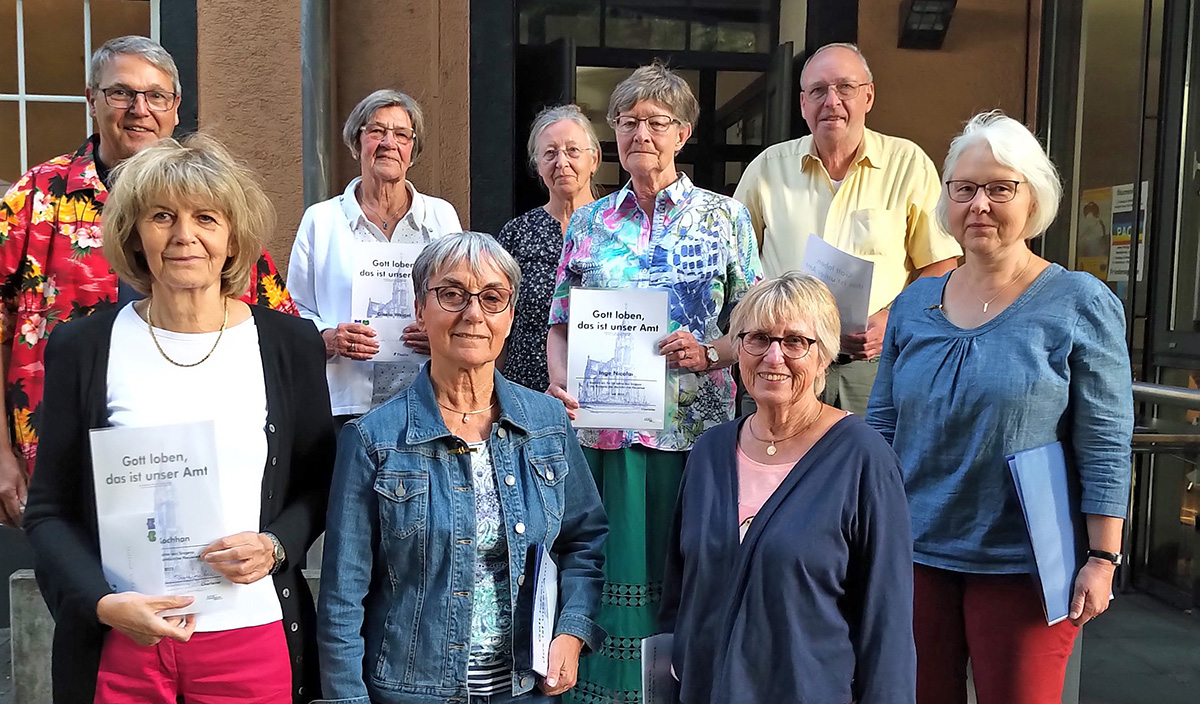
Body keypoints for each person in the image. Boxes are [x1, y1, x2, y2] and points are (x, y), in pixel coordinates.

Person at [24, 134, 335, 703]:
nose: (184, 235)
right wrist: (99, 602)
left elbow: (319, 485)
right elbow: (48, 512)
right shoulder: (84, 345)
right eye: (162, 216)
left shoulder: (288, 345)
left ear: (232, 236)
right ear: (135, 234)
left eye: (206, 218)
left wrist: (276, 545)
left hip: (251, 635)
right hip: (124, 643)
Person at [866, 111, 1133, 704]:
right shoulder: (913, 304)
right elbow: (881, 425)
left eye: (999, 188)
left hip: (1025, 563)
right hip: (914, 555)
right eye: (964, 189)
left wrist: (1103, 557)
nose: (979, 204)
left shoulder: (1078, 301)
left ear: (1033, 197)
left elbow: (1106, 442)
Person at [0, 35, 297, 530]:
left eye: (156, 96)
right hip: (59, 465)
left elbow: (271, 321)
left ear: (176, 108)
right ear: (92, 100)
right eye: (121, 93)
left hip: (201, 476)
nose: (140, 109)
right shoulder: (35, 199)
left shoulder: (211, 203)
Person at [545, 62, 762, 704]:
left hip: (693, 436)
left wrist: (711, 351)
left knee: (685, 569)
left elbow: (754, 327)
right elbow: (559, 326)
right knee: (601, 565)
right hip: (604, 434)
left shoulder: (726, 219)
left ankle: (685, 688)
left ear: (684, 133)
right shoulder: (588, 225)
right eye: (629, 120)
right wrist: (562, 386)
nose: (642, 132)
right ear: (613, 131)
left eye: (657, 122)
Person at [318, 232, 607, 704]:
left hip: (526, 691)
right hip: (412, 692)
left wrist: (571, 632)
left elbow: (584, 541)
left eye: (492, 298)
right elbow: (341, 600)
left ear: (510, 316)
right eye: (452, 294)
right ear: (419, 309)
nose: (473, 313)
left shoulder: (547, 424)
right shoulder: (373, 440)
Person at [659, 272, 914, 703]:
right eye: (757, 338)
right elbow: (679, 599)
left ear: (824, 356)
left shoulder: (862, 457)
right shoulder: (709, 452)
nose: (773, 357)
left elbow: (886, 624)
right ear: (738, 348)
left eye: (795, 341)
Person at [733, 42, 961, 416]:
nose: (832, 101)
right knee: (776, 471)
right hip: (782, 363)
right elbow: (736, 263)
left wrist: (890, 320)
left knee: (865, 470)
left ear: (868, 96)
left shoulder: (908, 164)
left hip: (870, 367)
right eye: (818, 91)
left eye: (845, 88)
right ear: (803, 103)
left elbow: (940, 265)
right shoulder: (767, 169)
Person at [287, 90, 463, 423]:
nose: (388, 142)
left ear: (413, 151)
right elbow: (295, 309)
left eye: (401, 135)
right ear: (357, 143)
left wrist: (441, 334)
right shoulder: (321, 220)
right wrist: (329, 337)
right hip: (344, 403)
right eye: (376, 131)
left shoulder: (441, 218)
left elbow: (460, 296)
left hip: (429, 399)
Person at [497, 105, 600, 392]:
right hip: (524, 389)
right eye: (550, 153)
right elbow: (497, 323)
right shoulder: (517, 233)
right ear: (538, 165)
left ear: (594, 159)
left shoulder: (621, 230)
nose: (561, 162)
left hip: (602, 390)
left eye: (572, 151)